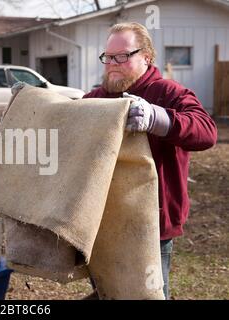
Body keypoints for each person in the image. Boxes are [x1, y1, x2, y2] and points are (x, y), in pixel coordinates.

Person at [81, 22, 218, 299]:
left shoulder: (168, 93)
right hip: (102, 222)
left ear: (147, 57)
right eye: (108, 57)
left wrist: (158, 118)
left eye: (122, 56)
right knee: (108, 292)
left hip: (151, 225)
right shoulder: (97, 98)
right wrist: (36, 105)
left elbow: (206, 132)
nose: (112, 64)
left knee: (149, 295)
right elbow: (68, 128)